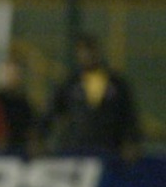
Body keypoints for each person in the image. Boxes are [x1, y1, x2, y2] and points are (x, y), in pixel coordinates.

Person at [46, 33, 141, 162]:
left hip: (110, 152)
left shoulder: (117, 84)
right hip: (77, 151)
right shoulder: (69, 84)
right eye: (82, 51)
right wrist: (39, 137)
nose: (87, 55)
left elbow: (129, 115)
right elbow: (52, 111)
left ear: (98, 52)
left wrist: (131, 141)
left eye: (90, 50)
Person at [0, 55, 39, 156]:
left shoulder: (24, 104)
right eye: (8, 73)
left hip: (18, 151)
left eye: (14, 73)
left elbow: (31, 130)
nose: (11, 76)